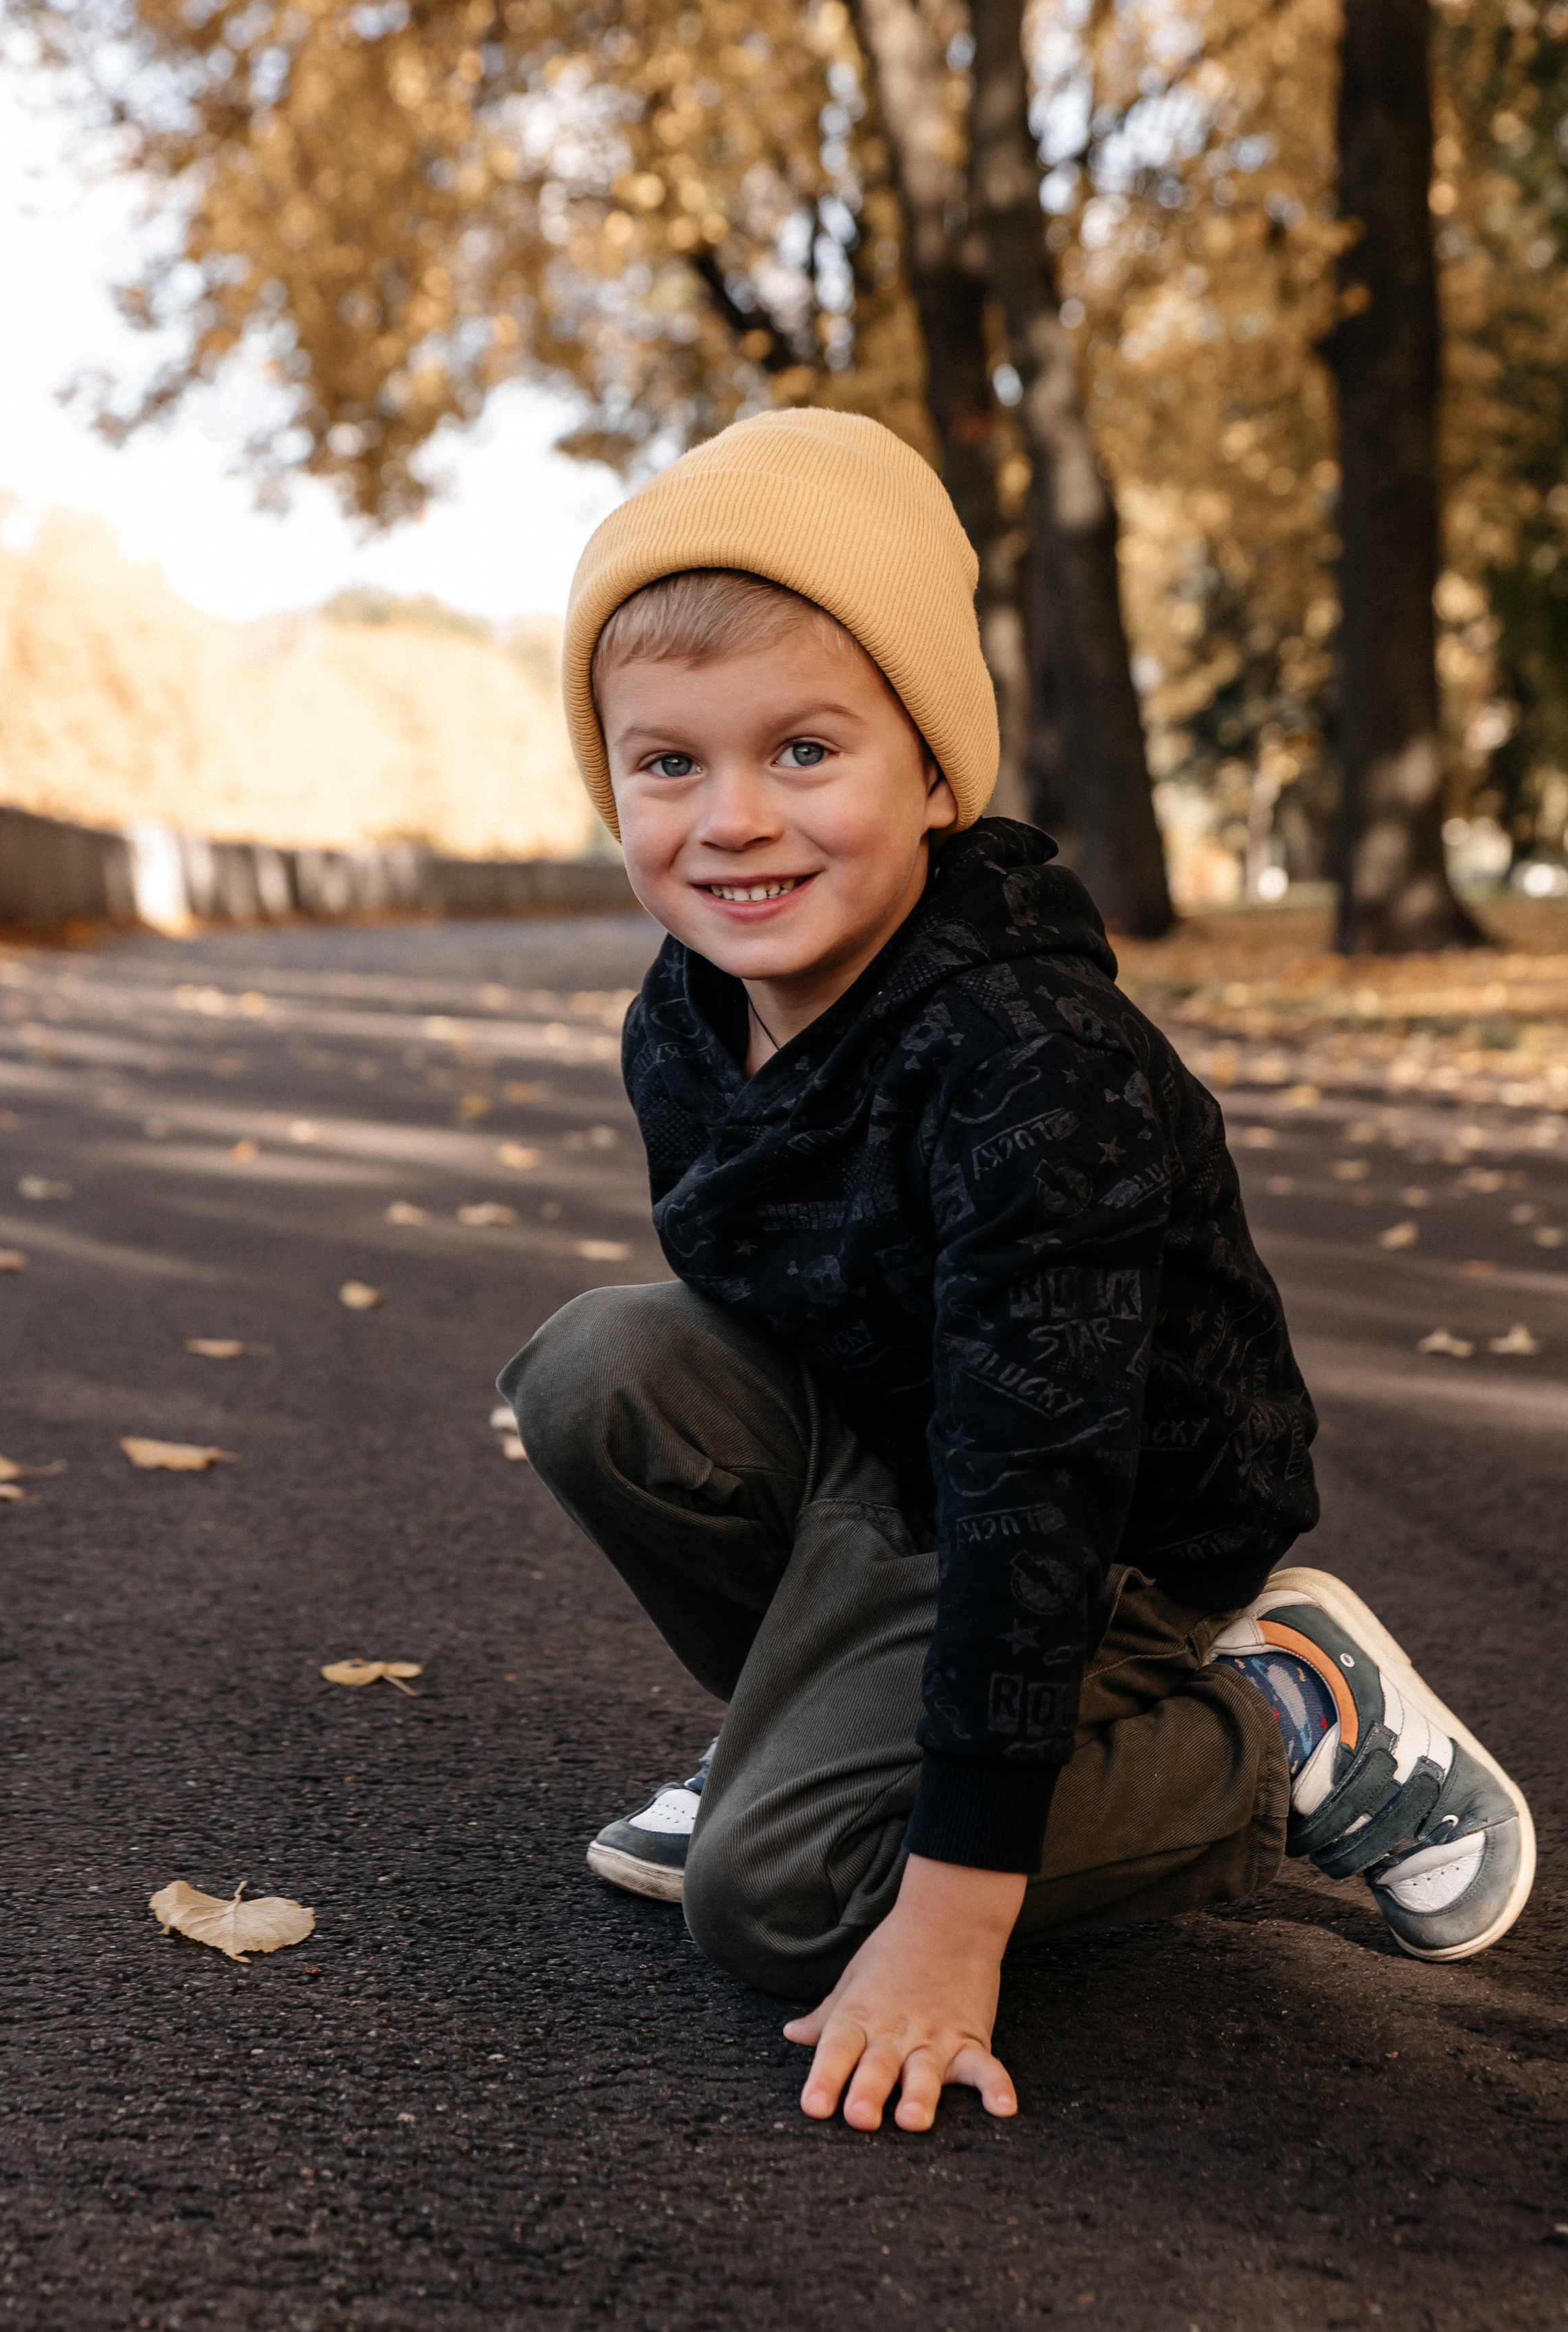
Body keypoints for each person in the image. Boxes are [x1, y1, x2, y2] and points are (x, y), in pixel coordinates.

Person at [499, 409, 1535, 2136]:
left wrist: (947, 1912)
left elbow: (1036, 1482)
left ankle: (1282, 1723)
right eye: (666, 765)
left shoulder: (1023, 1058)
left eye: (804, 751)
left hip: (1103, 1523)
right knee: (595, 1374)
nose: (731, 820)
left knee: (769, 1904)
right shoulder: (679, 1021)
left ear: (931, 773)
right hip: (904, 1455)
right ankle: (814, 1744)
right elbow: (764, 1334)